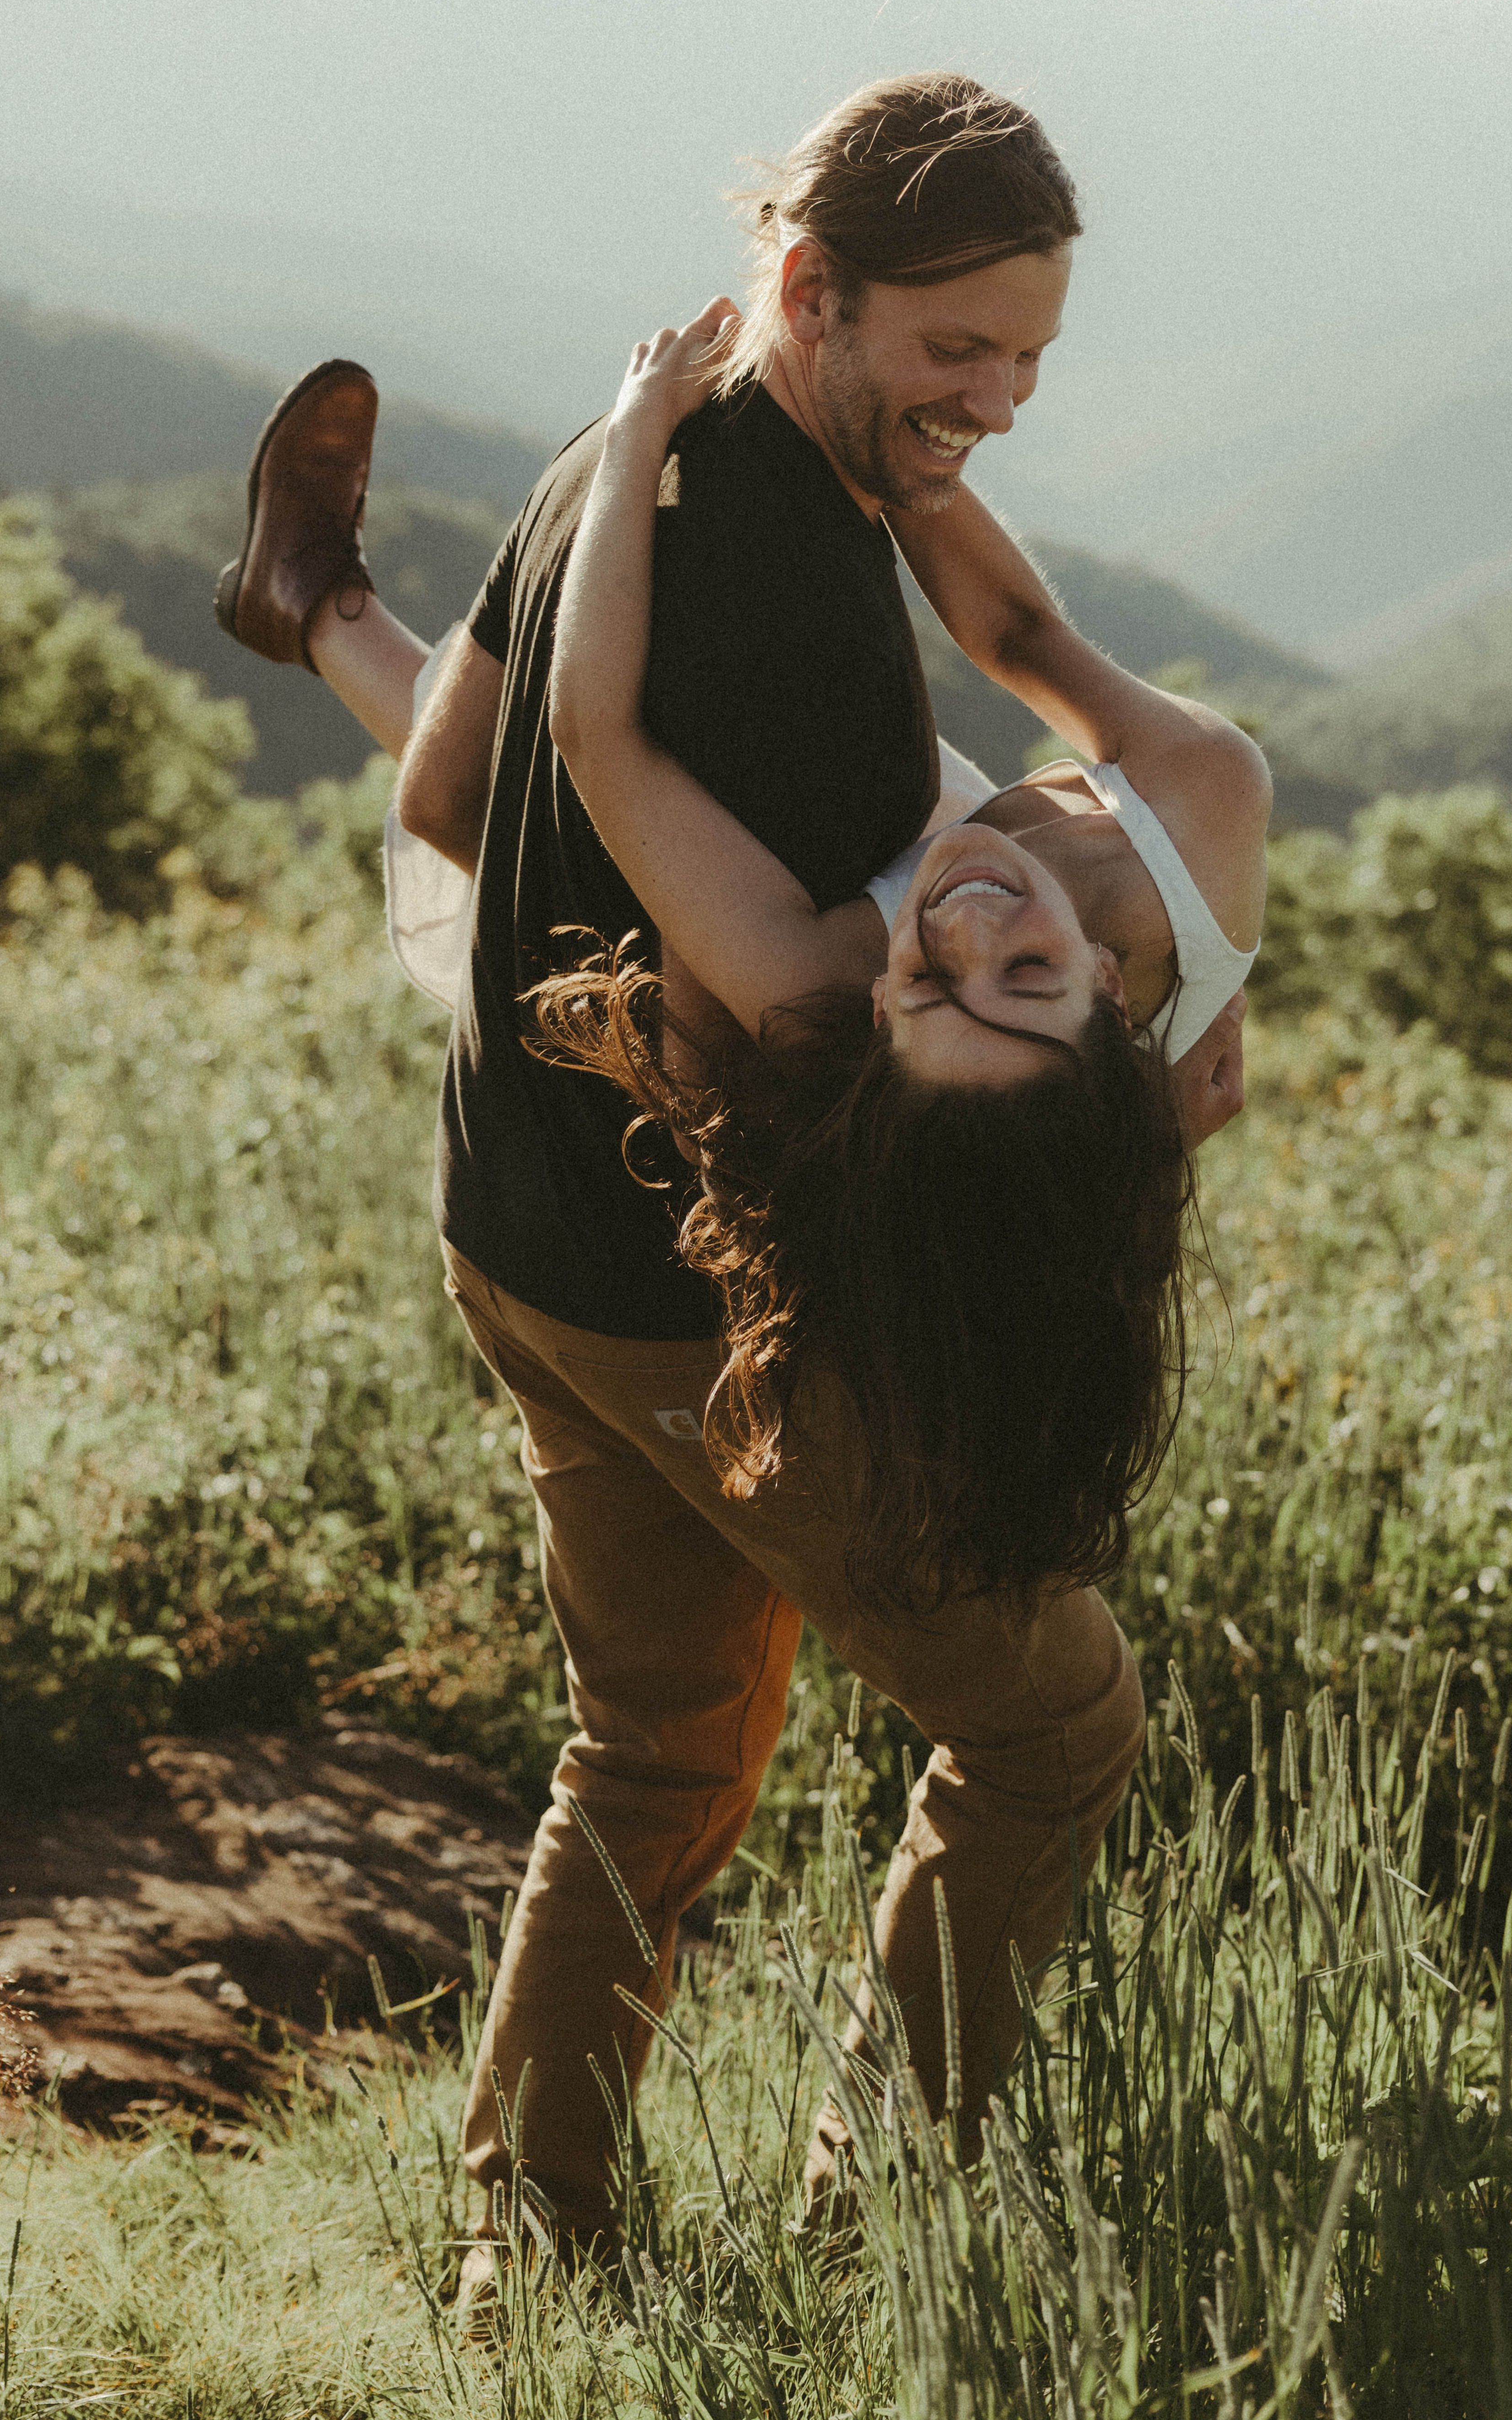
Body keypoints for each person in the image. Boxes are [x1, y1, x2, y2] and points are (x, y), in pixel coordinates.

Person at [211, 72, 1253, 2298]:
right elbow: (794, 1034)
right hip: (713, 1309)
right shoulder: (792, 617)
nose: (997, 398)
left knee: (654, 1744)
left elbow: (456, 785)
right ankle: (877, 2248)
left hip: (519, 1227)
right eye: (955, 348)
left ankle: (532, 2255)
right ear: (813, 286)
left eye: (1028, 357)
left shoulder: (629, 454)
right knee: (1051, 1724)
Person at [531, 296, 1270, 1617]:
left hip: (944, 1076)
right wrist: (888, 414)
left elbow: (594, 733)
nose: (969, 924)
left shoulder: (811, 988)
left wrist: (640, 428)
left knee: (469, 814)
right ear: (1110, 991)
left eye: (932, 983)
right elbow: (1023, 639)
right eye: (1028, 975)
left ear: (877, 1011)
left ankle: (323, 619)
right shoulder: (1204, 804)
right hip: (1084, 1075)